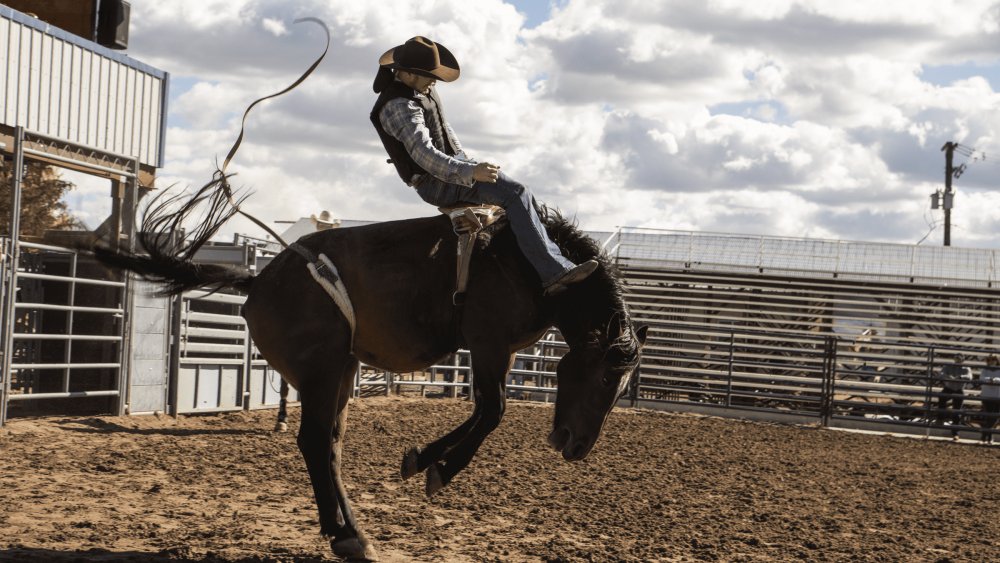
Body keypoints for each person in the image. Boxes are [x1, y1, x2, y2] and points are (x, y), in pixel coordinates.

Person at [370, 36, 598, 295]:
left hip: (449, 170)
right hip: (434, 182)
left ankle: (540, 260)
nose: (434, 81)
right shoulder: (398, 105)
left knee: (522, 195)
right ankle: (554, 272)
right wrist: (469, 171)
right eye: (428, 75)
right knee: (515, 193)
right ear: (409, 75)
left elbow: (445, 131)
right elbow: (424, 155)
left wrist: (467, 161)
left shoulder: (419, 90)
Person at [936, 354, 973, 437]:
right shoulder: (948, 366)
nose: (957, 360)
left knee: (957, 410)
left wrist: (960, 377)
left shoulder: (966, 368)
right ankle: (941, 417)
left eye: (959, 359)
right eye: (956, 358)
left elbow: (970, 377)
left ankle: (955, 432)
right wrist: (948, 377)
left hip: (958, 389)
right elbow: (941, 374)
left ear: (963, 360)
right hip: (949, 387)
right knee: (941, 397)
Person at [977, 355, 1000, 444]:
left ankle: (984, 435)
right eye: (990, 360)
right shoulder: (985, 370)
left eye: (994, 360)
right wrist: (989, 380)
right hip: (987, 395)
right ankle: (989, 437)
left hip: (998, 396)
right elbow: (981, 378)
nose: (992, 362)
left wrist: (995, 380)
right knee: (989, 416)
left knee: (994, 417)